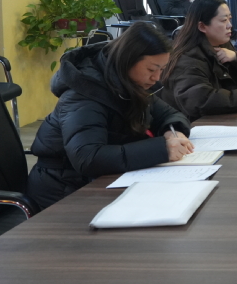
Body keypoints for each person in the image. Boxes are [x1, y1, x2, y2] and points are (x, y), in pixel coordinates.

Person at [25, 22, 194, 210]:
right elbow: (88, 157)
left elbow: (169, 114)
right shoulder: (83, 94)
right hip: (63, 191)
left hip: (97, 181)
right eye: (151, 69)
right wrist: (161, 149)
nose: (156, 78)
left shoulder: (128, 83)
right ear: (127, 60)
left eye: (161, 69)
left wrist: (172, 132)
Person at [161, 0, 237, 121]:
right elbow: (201, 100)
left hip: (223, 119)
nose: (230, 25)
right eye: (223, 20)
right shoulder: (187, 58)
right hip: (196, 126)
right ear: (202, 26)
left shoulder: (222, 45)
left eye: (229, 19)